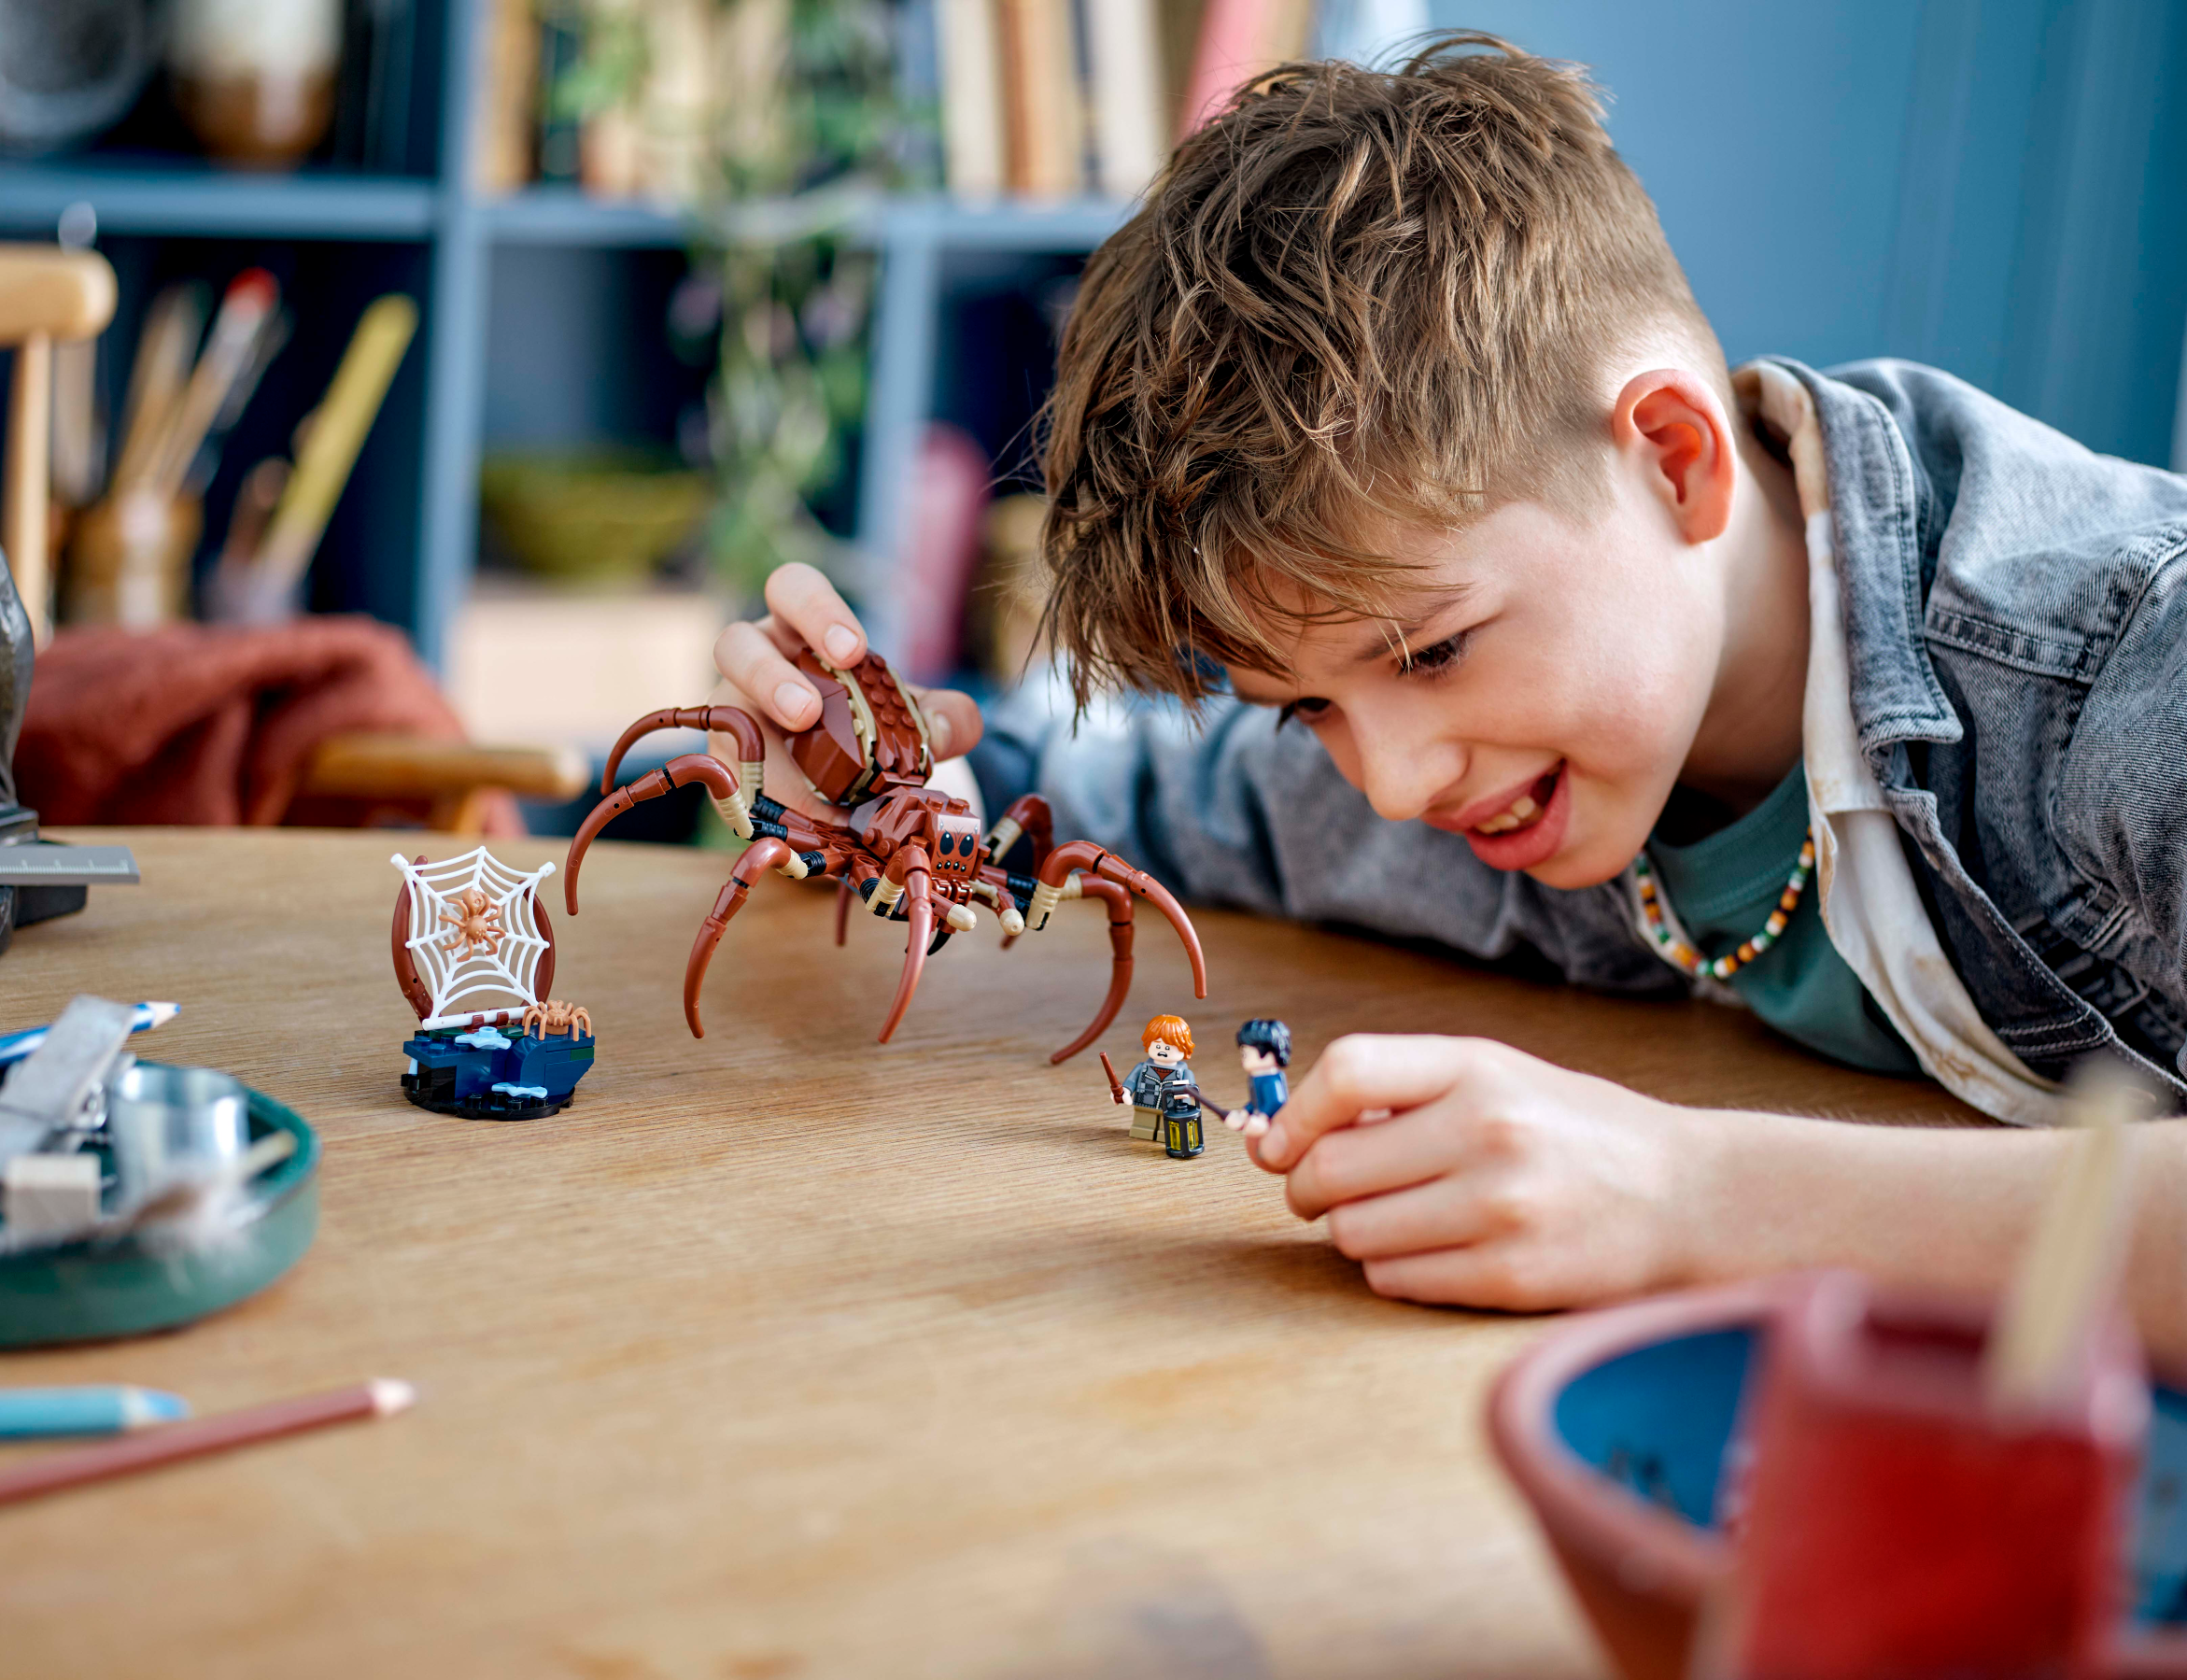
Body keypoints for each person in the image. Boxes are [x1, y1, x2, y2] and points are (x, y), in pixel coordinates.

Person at [706, 37, 2187, 1364]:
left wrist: (1686, 1193)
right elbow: (1119, 791)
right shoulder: (1498, 744)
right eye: (1307, 709)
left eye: (1430, 652)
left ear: (1673, 460)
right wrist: (880, 785)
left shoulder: (2133, 668)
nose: (1395, 785)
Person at [1118, 1013, 1205, 1160]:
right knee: (1143, 1124)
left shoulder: (1184, 1072)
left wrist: (1184, 1105)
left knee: (1168, 1129)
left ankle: (1165, 1136)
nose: (1162, 1050)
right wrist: (1125, 1092)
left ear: (1184, 1048)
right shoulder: (1142, 1067)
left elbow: (1191, 1092)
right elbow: (1131, 1082)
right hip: (1145, 1103)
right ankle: (1143, 1130)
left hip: (1171, 1109)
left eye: (1169, 1047)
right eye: (1158, 1046)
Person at [1225, 1019, 1292, 1138]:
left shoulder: (1271, 1080)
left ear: (1265, 1052)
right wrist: (1246, 1112)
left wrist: (1262, 1117)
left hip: (1274, 1122)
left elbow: (1276, 1102)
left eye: (1245, 1055)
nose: (1243, 1059)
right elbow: (1255, 1101)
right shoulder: (1255, 1078)